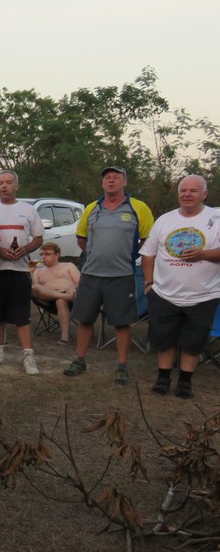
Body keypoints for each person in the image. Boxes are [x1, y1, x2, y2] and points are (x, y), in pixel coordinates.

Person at [63, 166, 154, 384]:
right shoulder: (92, 208)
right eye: (107, 178)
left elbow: (149, 239)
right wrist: (95, 255)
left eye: (116, 177)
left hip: (121, 275)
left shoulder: (138, 207)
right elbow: (81, 238)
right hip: (91, 274)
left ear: (125, 182)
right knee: (85, 319)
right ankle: (80, 360)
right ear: (103, 183)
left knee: (122, 323)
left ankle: (121, 367)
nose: (111, 181)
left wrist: (130, 255)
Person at [140, 175, 220, 398]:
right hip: (164, 294)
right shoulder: (165, 220)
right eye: (183, 190)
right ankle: (162, 379)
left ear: (204, 194)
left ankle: (185, 382)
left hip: (203, 294)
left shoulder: (216, 218)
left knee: (193, 341)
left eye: (193, 191)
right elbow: (148, 254)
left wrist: (203, 254)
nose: (187, 194)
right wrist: (149, 284)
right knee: (163, 338)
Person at [0, 170, 43, 375]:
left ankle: (28, 357)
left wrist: (26, 249)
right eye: (0, 183)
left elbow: (38, 238)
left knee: (22, 316)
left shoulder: (29, 210)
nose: (4, 186)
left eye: (8, 182)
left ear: (16, 186)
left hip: (20, 270)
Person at [31, 242, 80, 345]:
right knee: (35, 287)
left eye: (47, 254)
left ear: (57, 255)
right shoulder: (38, 271)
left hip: (72, 300)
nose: (43, 257)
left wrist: (72, 287)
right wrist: (31, 273)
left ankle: (64, 337)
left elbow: (80, 282)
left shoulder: (68, 266)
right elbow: (36, 291)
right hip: (49, 301)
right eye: (41, 254)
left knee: (61, 301)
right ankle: (66, 297)